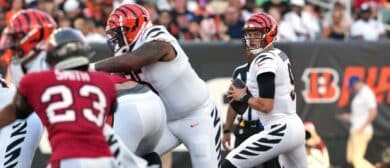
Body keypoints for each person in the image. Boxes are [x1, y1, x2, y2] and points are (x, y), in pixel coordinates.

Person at [89, 4, 222, 167]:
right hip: (164, 121)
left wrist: (88, 68)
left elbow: (133, 61)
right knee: (128, 158)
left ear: (133, 27)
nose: (114, 39)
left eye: (117, 33)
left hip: (198, 116)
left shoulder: (155, 35)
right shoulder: (126, 53)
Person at [0, 28, 118, 167]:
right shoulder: (105, 81)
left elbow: (14, 112)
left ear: (52, 55)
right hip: (104, 158)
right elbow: (111, 112)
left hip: (66, 158)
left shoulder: (36, 81)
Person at [223, 12, 307, 168]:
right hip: (294, 126)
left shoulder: (264, 60)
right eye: (249, 35)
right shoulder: (279, 55)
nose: (251, 40)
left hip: (280, 128)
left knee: (229, 165)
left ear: (270, 33)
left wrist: (244, 97)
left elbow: (266, 106)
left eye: (256, 34)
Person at [0, 9, 56, 168]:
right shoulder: (20, 65)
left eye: (16, 37)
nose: (13, 43)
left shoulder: (49, 61)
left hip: (18, 121)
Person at [222, 42, 280, 168]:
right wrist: (227, 129)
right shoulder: (239, 72)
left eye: (253, 47)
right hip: (245, 128)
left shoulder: (271, 69)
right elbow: (233, 104)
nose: (250, 50)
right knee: (235, 164)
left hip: (266, 127)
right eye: (248, 47)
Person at [339, 76, 377, 168]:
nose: (352, 89)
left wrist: (362, 127)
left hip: (362, 130)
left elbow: (373, 112)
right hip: (355, 129)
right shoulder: (359, 94)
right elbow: (359, 115)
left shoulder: (367, 93)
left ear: (357, 83)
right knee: (350, 158)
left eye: (352, 86)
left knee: (357, 159)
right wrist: (348, 117)